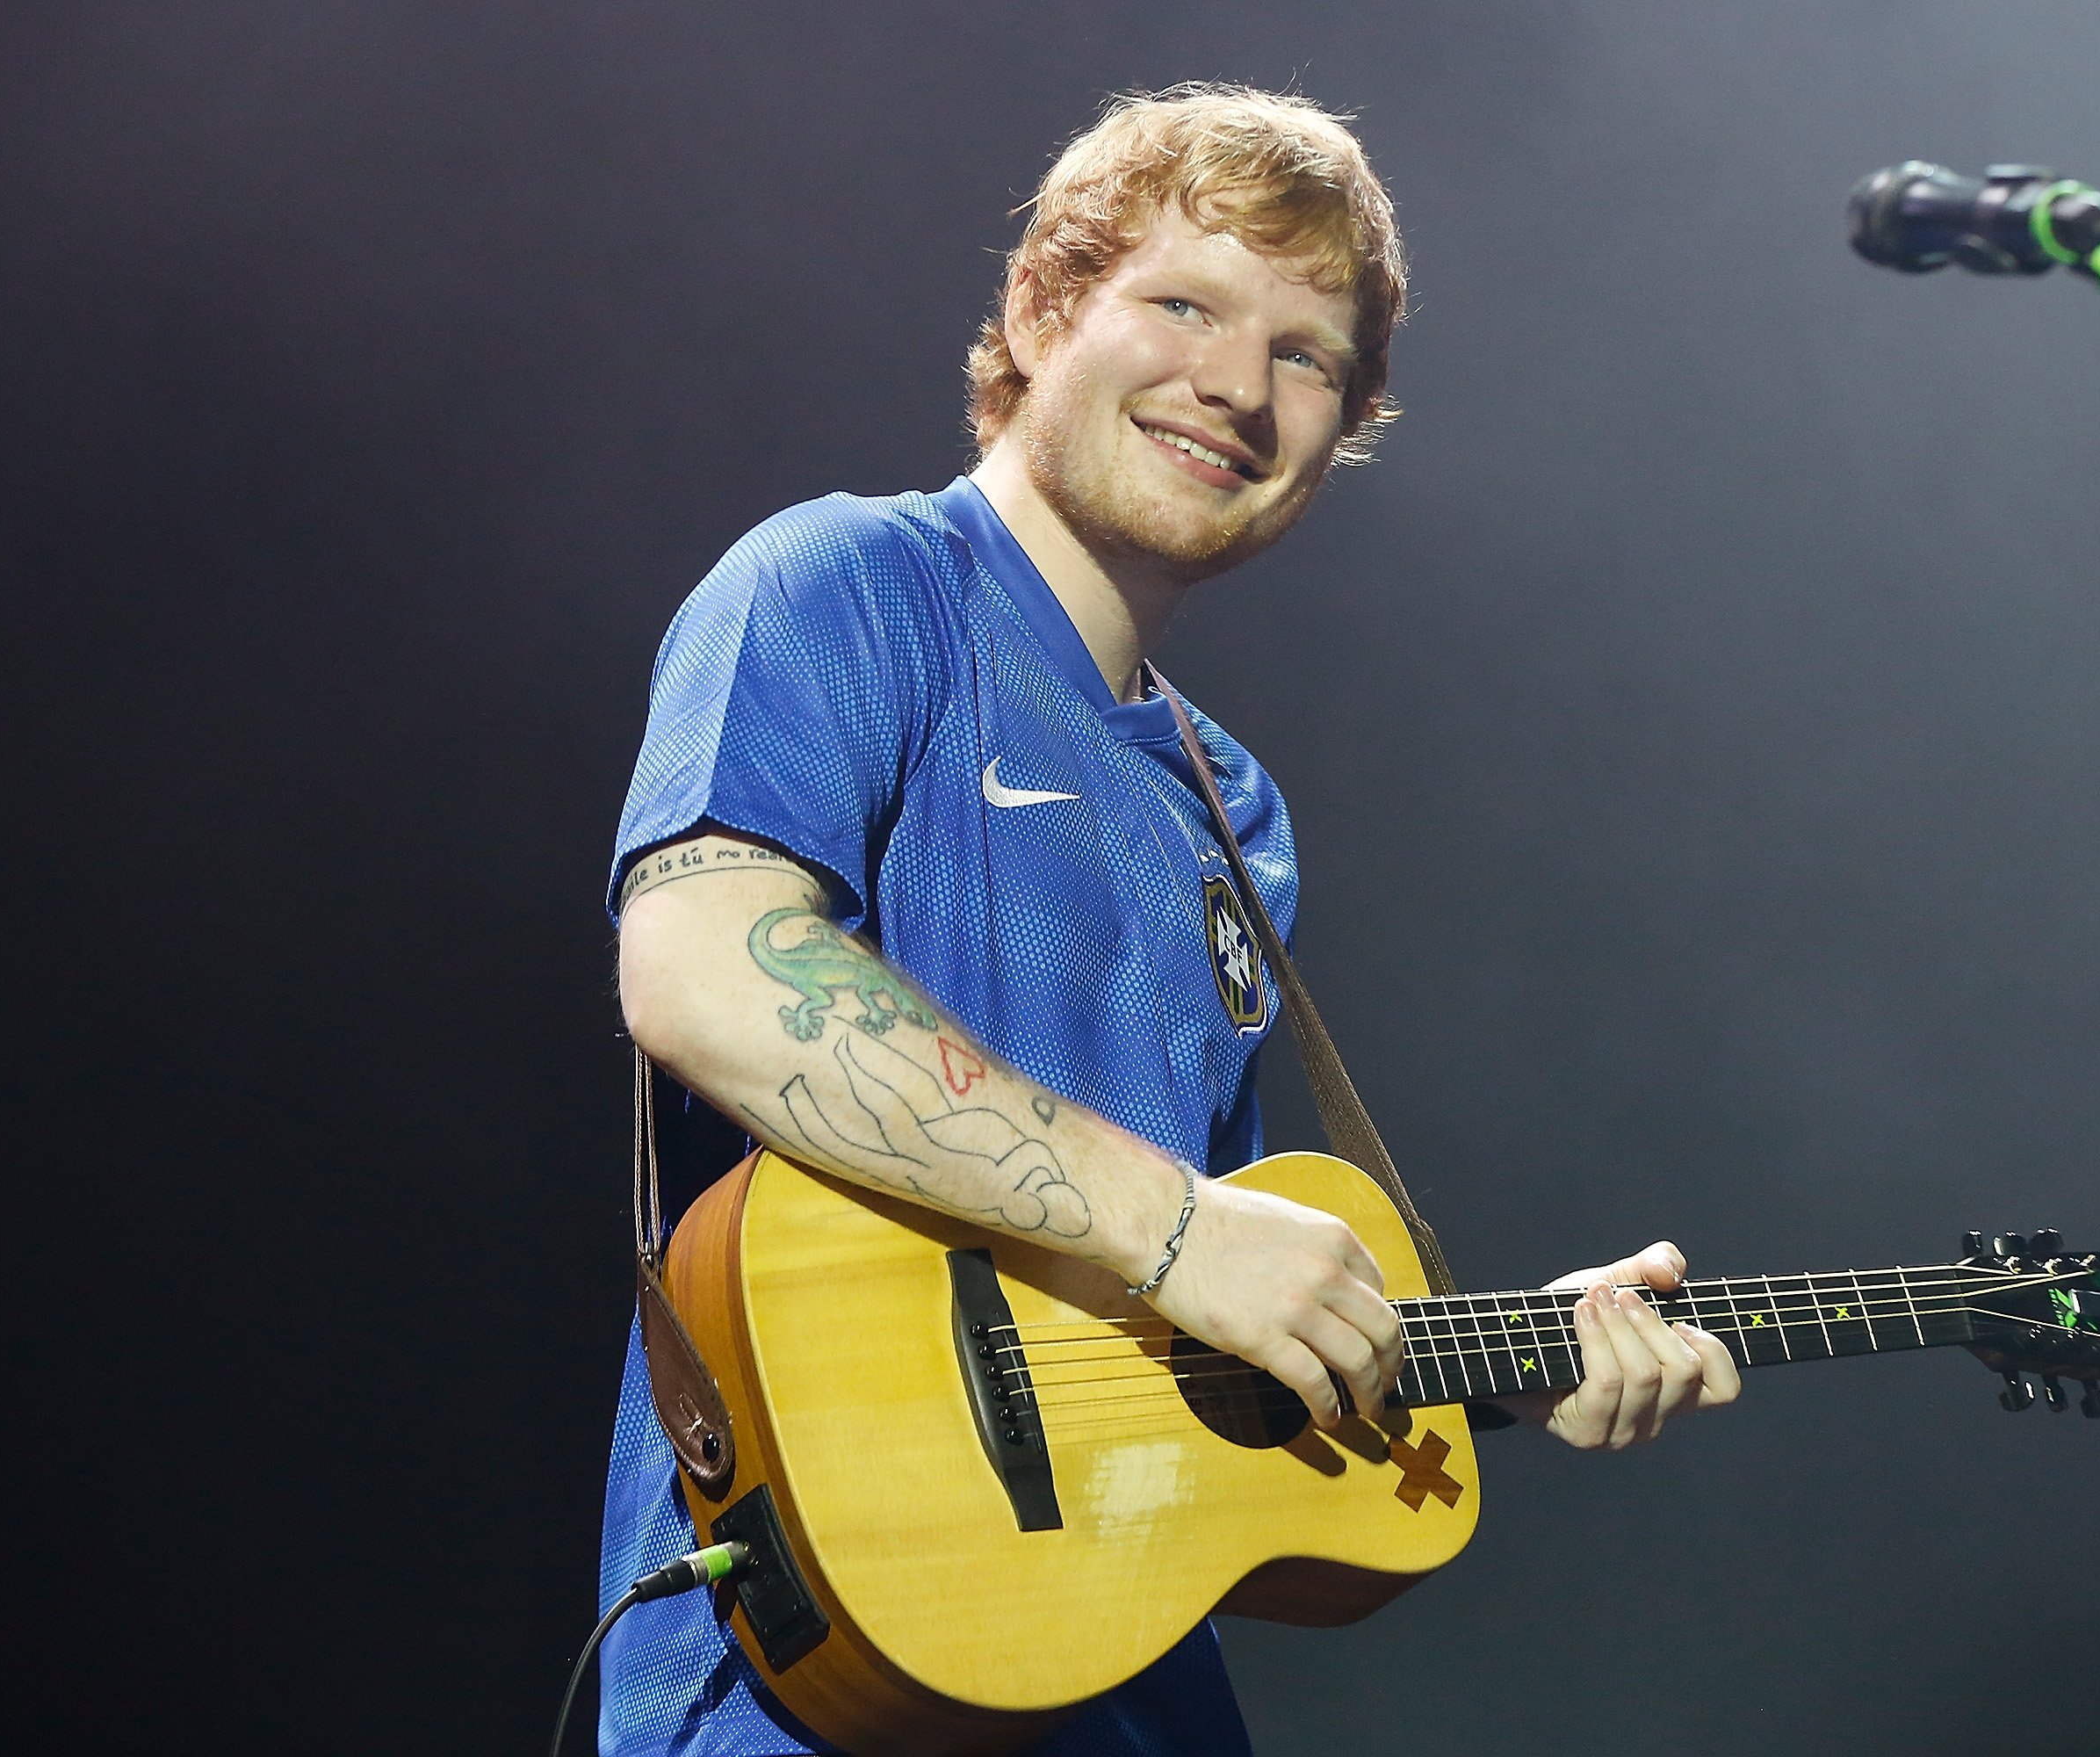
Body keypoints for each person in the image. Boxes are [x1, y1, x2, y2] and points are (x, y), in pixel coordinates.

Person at [596, 83, 1742, 1756]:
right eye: (1187, 305)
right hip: (820, 1680)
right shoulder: (846, 582)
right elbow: (701, 970)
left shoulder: (1237, 810)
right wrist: (1184, 1230)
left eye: (1307, 358)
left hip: (1129, 1688)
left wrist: (1478, 1355)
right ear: (1044, 309)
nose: (1235, 386)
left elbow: (1172, 1358)